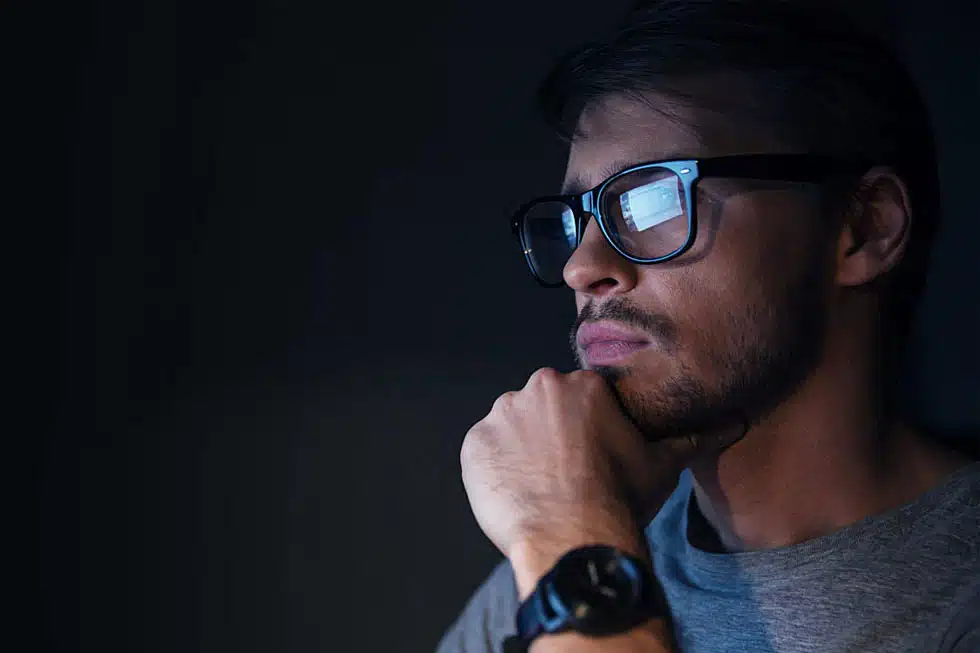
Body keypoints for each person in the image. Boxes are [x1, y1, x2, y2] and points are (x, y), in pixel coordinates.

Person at [435, 1, 980, 652]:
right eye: (580, 217)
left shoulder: (572, 549)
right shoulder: (566, 552)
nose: (583, 267)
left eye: (652, 196)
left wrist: (572, 542)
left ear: (864, 228)